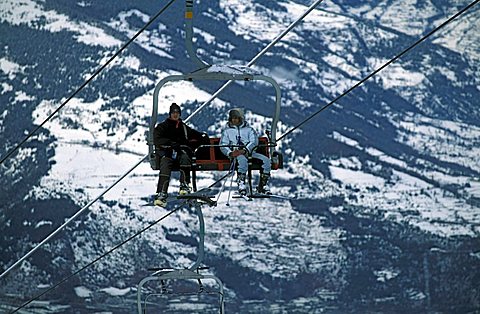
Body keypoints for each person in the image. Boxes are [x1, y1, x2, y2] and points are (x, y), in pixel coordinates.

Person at [153, 103, 209, 207]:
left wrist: (202, 137)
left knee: (185, 157)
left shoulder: (183, 128)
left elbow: (194, 134)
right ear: (170, 114)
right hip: (168, 153)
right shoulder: (163, 127)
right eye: (173, 113)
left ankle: (184, 185)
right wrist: (170, 143)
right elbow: (157, 139)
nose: (175, 115)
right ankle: (162, 192)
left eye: (177, 113)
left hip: (180, 154)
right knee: (165, 163)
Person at [220, 108, 271, 195]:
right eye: (233, 118)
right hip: (236, 154)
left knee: (266, 161)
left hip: (249, 153)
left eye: (237, 118)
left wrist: (245, 150)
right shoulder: (227, 132)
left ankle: (263, 184)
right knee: (242, 161)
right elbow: (223, 144)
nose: (235, 120)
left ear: (241, 119)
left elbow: (254, 141)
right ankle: (241, 182)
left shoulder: (249, 130)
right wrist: (230, 153)